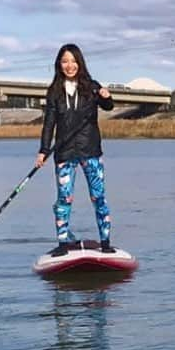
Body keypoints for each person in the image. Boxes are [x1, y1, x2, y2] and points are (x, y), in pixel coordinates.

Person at [35, 44, 115, 256]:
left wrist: (106, 96)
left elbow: (109, 107)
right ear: (59, 65)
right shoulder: (54, 91)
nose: (69, 66)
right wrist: (43, 150)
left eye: (73, 61)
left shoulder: (91, 86)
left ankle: (106, 243)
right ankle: (63, 243)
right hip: (64, 151)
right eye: (65, 61)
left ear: (80, 63)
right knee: (64, 198)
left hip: (90, 149)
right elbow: (49, 123)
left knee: (98, 197)